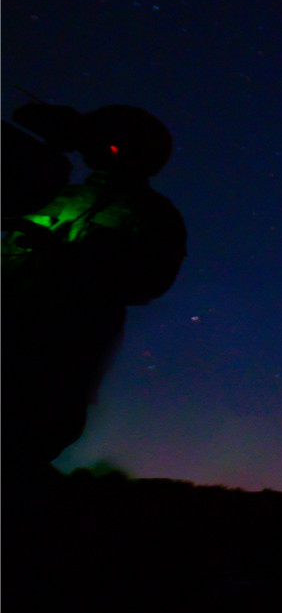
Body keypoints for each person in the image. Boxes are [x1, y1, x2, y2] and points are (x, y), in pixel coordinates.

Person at [2, 103, 187, 475]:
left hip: (60, 350)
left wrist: (65, 257)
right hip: (18, 329)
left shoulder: (153, 215)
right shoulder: (56, 192)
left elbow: (150, 280)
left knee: (26, 442)